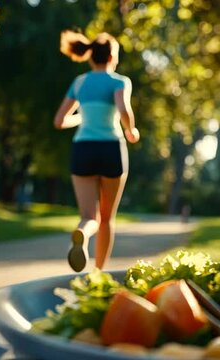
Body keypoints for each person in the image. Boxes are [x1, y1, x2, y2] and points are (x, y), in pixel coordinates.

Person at [54, 30, 140, 272]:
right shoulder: (120, 81)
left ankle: (82, 232)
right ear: (112, 57)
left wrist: (82, 117)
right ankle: (99, 273)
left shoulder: (79, 82)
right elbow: (123, 109)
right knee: (107, 218)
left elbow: (60, 120)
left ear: (91, 57)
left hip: (83, 149)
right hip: (111, 148)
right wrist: (131, 130)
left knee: (90, 217)